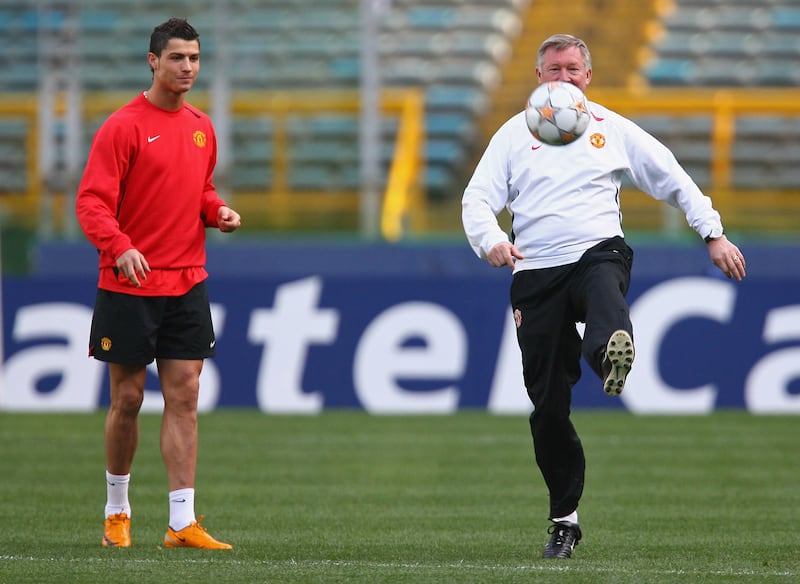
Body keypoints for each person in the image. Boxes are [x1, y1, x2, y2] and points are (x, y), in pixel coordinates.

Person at [461, 33, 746, 559]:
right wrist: (493, 241)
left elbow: (671, 176)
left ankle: (609, 352)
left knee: (605, 293)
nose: (563, 78)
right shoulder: (510, 136)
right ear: (538, 76)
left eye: (572, 69)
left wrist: (713, 233)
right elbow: (477, 199)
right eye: (553, 70)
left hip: (596, 251)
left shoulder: (610, 129)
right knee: (547, 408)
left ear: (587, 76)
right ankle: (564, 519)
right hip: (536, 271)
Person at [76, 17, 241, 550]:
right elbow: (92, 202)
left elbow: (200, 189)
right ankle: (117, 510)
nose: (187, 67)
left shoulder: (201, 126)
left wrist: (216, 211)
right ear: (153, 61)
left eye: (194, 58)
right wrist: (119, 247)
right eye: (177, 58)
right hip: (129, 284)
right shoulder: (122, 127)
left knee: (185, 395)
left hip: (187, 279)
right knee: (127, 397)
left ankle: (181, 522)